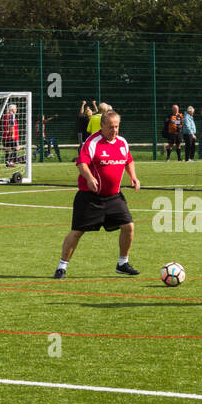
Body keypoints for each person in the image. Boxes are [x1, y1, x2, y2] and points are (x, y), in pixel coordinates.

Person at [54, 109, 141, 278]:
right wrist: (89, 178)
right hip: (90, 197)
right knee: (77, 231)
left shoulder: (122, 142)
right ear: (102, 126)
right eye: (111, 127)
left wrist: (134, 177)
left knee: (128, 226)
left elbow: (128, 160)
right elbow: (81, 163)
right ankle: (62, 267)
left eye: (116, 127)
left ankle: (122, 263)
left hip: (114, 197)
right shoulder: (93, 142)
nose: (114, 130)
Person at [3, 102, 21, 167]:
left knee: (7, 149)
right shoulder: (12, 115)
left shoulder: (5, 115)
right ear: (12, 109)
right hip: (13, 135)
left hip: (5, 136)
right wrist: (13, 134)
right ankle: (11, 161)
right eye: (16, 109)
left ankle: (7, 162)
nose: (16, 110)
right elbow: (12, 125)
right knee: (17, 147)